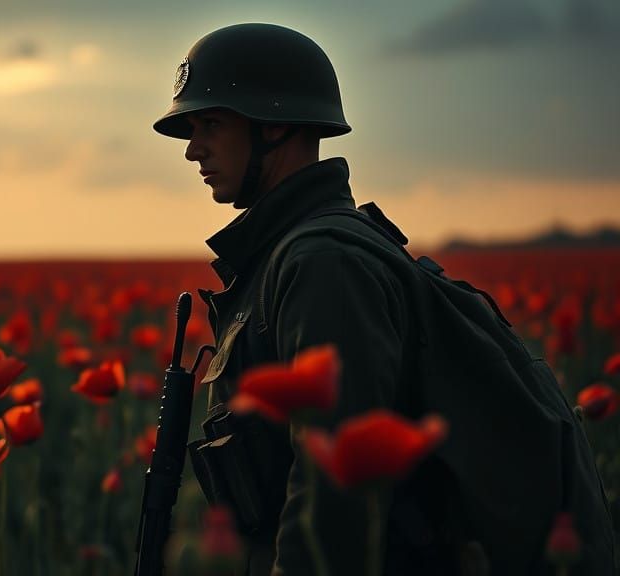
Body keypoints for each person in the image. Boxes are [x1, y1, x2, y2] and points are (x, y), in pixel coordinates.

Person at [153, 23, 615, 576]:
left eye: (210, 124)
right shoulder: (293, 253)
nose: (192, 149)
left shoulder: (323, 263)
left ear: (274, 124)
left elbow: (335, 491)